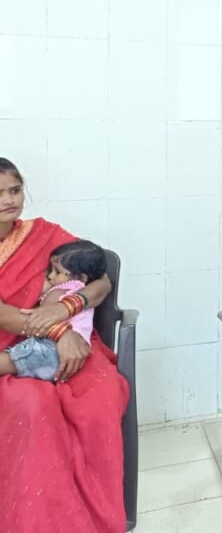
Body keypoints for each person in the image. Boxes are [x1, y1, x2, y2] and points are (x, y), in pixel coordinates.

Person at [0, 158, 130, 533]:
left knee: (99, 396)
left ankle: (95, 514)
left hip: (64, 340)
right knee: (32, 405)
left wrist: (66, 307)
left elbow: (101, 282)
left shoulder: (44, 235)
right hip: (14, 346)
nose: (9, 200)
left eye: (15, 189)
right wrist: (60, 332)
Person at [0, 239, 105, 380]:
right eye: (51, 270)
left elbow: (41, 316)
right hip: (68, 354)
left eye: (57, 272)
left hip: (54, 348)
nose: (50, 276)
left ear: (81, 277)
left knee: (11, 361)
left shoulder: (61, 290)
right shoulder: (81, 288)